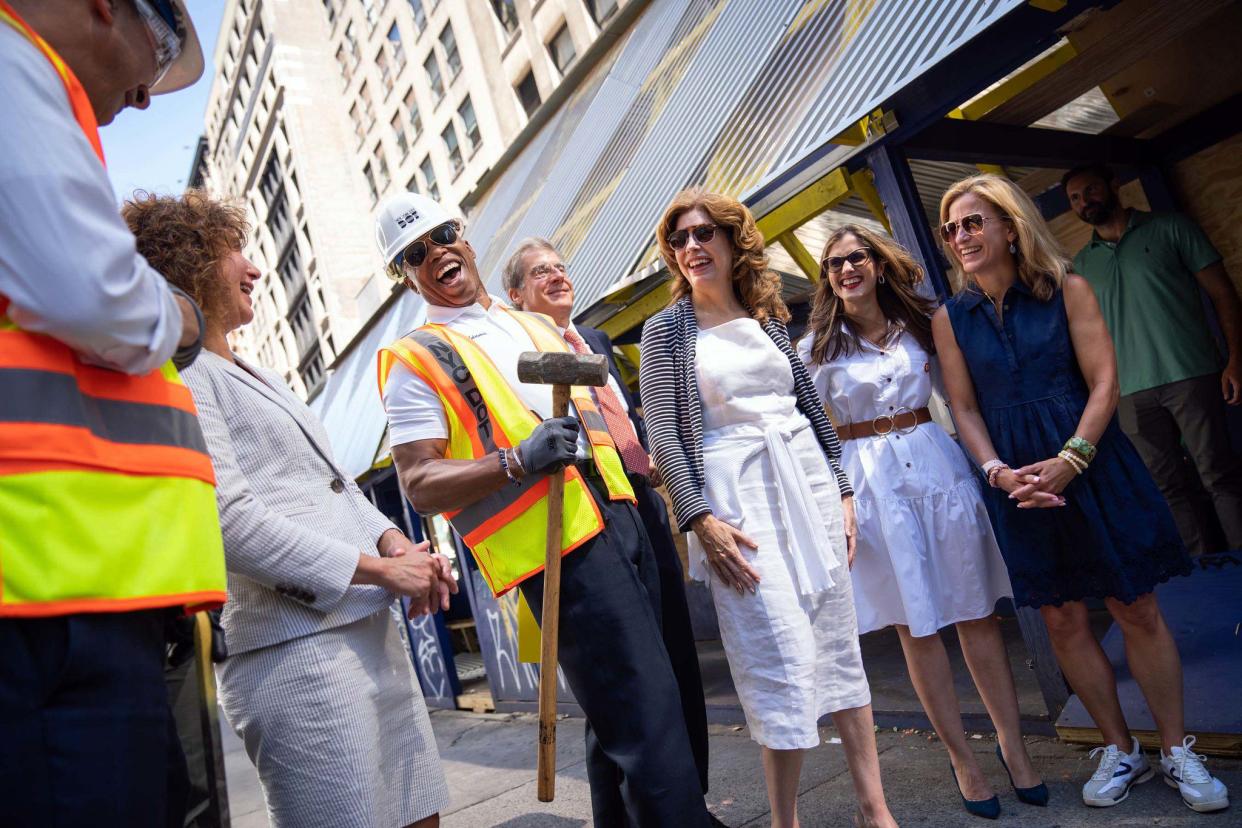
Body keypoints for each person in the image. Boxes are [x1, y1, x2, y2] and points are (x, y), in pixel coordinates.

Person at [375, 192, 711, 828]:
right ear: (407, 275)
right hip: (559, 548)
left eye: (444, 234)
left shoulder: (529, 324)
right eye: (416, 253)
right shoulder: (413, 359)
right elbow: (418, 482)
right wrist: (515, 460)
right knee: (647, 715)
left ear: (466, 238)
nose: (437, 251)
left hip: (617, 513)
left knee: (634, 709)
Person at [124, 190, 453, 828]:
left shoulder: (259, 374)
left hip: (365, 633)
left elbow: (335, 485)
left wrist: (395, 544)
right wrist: (383, 571)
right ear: (191, 266)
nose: (254, 269)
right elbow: (230, 521)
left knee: (421, 817)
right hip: (294, 656)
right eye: (234, 255)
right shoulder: (179, 375)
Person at [932, 173, 1229, 814]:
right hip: (1016, 483)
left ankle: (1177, 748)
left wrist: (1072, 458)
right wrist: (996, 473)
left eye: (974, 221)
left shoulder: (1070, 288)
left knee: (1136, 607)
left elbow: (1104, 383)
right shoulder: (949, 320)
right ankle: (1120, 749)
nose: (961, 236)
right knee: (1062, 617)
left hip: (1093, 462)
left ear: (1010, 227)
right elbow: (963, 409)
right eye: (951, 227)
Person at [0, 2, 228, 826]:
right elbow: (90, 292)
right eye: (162, 50)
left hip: (71, 589)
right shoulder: (12, 61)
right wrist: (178, 319)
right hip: (45, 599)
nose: (146, 97)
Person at [639, 188, 898, 828]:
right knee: (775, 646)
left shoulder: (770, 318)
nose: (692, 247)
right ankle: (785, 822)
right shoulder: (664, 331)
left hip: (806, 480)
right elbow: (664, 432)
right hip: (735, 498)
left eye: (704, 234)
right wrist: (698, 517)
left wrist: (841, 490)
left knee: (839, 642)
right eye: (679, 240)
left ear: (732, 241)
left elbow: (812, 409)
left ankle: (876, 809)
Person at [799, 224, 1044, 819]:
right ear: (827, 280)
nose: (846, 270)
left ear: (879, 265)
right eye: (833, 265)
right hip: (868, 481)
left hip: (935, 466)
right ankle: (963, 759)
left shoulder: (924, 325)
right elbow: (810, 434)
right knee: (917, 625)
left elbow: (962, 397)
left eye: (856, 258)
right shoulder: (813, 350)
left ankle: (1014, 747)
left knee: (977, 613)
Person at [502, 236, 716, 820]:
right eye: (539, 273)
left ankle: (679, 799)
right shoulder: (514, 349)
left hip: (638, 497)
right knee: (621, 681)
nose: (556, 277)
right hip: (585, 506)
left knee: (672, 651)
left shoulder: (594, 340)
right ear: (515, 295)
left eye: (561, 267)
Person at [1062, 163, 1242, 555]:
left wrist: (1235, 360)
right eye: (1074, 199)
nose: (1084, 202)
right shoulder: (1081, 265)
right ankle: (1205, 572)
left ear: (1114, 184)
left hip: (1190, 372)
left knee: (1218, 475)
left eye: (1090, 190)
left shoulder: (1171, 228)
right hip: (1128, 391)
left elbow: (1224, 294)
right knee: (1168, 486)